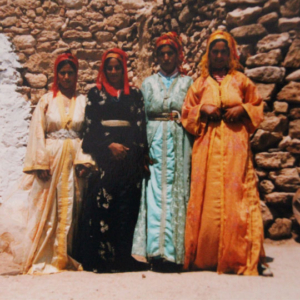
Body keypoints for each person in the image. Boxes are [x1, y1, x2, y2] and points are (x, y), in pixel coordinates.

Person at [182, 30, 269, 275]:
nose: (219, 56)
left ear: (230, 54)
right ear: (208, 55)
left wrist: (242, 109)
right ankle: (207, 256)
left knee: (238, 195)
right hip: (207, 147)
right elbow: (186, 113)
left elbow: (258, 106)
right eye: (214, 51)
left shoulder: (241, 81)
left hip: (235, 146)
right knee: (207, 199)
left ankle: (238, 255)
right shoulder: (199, 84)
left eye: (223, 51)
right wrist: (203, 108)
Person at [0, 52, 92, 274]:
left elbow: (90, 133)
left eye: (71, 72)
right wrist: (40, 163)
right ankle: (46, 255)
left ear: (76, 74)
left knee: (74, 205)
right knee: (47, 209)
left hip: (75, 160)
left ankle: (69, 253)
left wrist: (85, 160)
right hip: (51, 160)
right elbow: (37, 132)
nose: (67, 77)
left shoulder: (83, 102)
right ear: (57, 75)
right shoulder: (46, 101)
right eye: (63, 72)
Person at [80, 48, 147, 273]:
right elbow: (90, 129)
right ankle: (102, 259)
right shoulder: (95, 94)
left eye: (117, 67)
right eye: (109, 67)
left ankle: (124, 258)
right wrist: (108, 147)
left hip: (129, 159)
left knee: (127, 207)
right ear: (104, 69)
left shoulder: (135, 95)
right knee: (103, 205)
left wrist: (137, 154)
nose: (113, 71)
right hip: (106, 160)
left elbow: (140, 126)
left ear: (123, 68)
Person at [132, 32, 193, 271]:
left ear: (178, 55)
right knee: (154, 194)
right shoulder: (147, 84)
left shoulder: (189, 83)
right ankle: (156, 253)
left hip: (180, 140)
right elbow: (141, 118)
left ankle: (175, 253)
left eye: (171, 53)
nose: (166, 57)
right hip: (154, 139)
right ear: (156, 56)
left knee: (178, 192)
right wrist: (142, 149)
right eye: (162, 53)